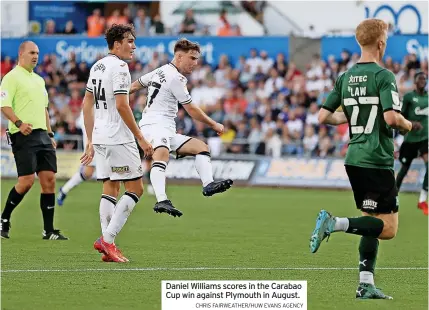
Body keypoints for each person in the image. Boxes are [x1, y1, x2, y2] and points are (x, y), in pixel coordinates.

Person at [309, 19, 415, 299]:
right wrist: (408, 125)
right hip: (376, 158)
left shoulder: (345, 77)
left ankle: (365, 283)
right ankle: (336, 223)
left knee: (370, 217)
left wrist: (351, 115)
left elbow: (322, 116)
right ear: (381, 43)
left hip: (354, 157)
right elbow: (391, 118)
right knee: (389, 229)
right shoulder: (384, 76)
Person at [129, 38, 233, 217]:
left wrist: (118, 93)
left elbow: (137, 84)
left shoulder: (160, 70)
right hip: (154, 125)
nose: (195, 63)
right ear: (179, 57)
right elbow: (191, 109)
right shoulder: (175, 77)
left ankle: (208, 184)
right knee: (160, 153)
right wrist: (214, 124)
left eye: (197, 59)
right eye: (192, 58)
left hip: (167, 129)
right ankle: (161, 200)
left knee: (201, 148)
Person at [80, 24, 153, 263]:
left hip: (100, 135)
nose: (133, 46)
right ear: (117, 43)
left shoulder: (97, 66)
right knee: (136, 189)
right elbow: (122, 105)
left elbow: (86, 104)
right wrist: (141, 137)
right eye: (129, 41)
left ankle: (107, 245)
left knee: (110, 188)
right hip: (118, 137)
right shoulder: (121, 67)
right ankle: (107, 240)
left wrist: (90, 139)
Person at [0, 41, 68, 240]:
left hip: (42, 136)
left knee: (49, 180)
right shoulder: (11, 78)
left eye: (37, 53)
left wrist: (50, 133)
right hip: (23, 134)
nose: (35, 56)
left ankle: (49, 230)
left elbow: (44, 109)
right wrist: (19, 123)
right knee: (27, 181)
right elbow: (3, 105)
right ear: (21, 54)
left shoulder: (39, 80)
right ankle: (4, 218)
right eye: (32, 52)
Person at [395, 72, 428, 215]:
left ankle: (422, 200)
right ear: (415, 82)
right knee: (404, 170)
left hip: (424, 139)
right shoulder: (409, 97)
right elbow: (400, 116)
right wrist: (412, 123)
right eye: (420, 79)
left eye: (425, 79)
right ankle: (393, 198)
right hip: (410, 141)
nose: (423, 81)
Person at [56, 110, 96, 206]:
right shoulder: (89, 107)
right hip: (93, 142)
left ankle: (64, 190)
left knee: (89, 172)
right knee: (88, 172)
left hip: (102, 139)